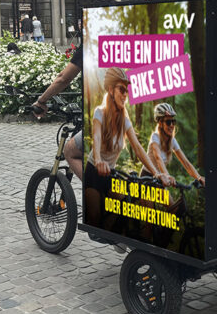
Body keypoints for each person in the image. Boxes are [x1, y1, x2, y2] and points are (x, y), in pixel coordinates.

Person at [86, 68, 172, 225]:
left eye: (127, 91)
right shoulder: (100, 112)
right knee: (94, 216)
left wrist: (157, 174)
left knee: (124, 209)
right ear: (111, 90)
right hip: (94, 171)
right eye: (122, 89)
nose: (125, 94)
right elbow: (96, 138)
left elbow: (138, 149)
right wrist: (98, 160)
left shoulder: (124, 121)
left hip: (110, 174)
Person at [32, 40, 84, 176]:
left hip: (108, 117)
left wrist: (41, 101)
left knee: (70, 151)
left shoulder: (92, 43)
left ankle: (98, 190)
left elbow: (63, 79)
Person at [145, 103, 204, 186]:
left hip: (161, 179)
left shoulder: (172, 141)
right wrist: (167, 175)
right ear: (160, 124)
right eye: (168, 122)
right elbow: (158, 158)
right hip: (147, 177)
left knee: (170, 200)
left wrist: (199, 177)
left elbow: (185, 162)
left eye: (173, 121)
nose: (172, 125)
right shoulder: (155, 137)